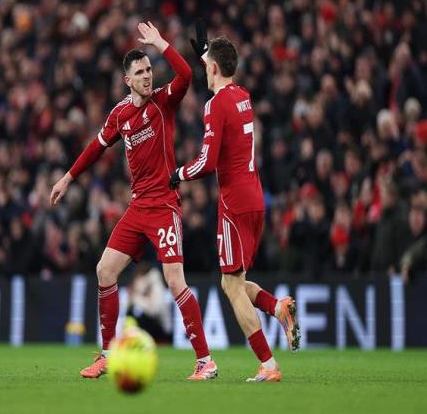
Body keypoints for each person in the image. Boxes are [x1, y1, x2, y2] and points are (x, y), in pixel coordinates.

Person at [50, 22, 216, 380]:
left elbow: (186, 75)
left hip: (164, 205)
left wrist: (161, 43)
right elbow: (96, 148)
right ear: (127, 80)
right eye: (140, 72)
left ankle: (205, 361)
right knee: (104, 271)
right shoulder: (120, 114)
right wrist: (67, 178)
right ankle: (108, 355)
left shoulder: (163, 101)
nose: (147, 76)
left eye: (149, 69)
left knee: (174, 280)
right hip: (138, 208)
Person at [171, 28, 300, 382]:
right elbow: (221, 79)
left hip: (233, 204)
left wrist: (177, 174)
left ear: (212, 68)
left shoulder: (215, 105)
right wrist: (206, 56)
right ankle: (278, 306)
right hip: (255, 199)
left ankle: (268, 365)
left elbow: (207, 162)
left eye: (207, 66)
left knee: (230, 285)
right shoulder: (243, 96)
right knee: (236, 281)